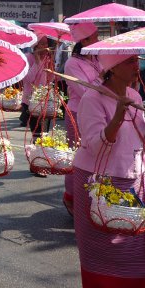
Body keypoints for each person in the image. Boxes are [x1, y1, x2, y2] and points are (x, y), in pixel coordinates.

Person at [73, 54, 145, 287]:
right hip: (99, 181)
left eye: (137, 60)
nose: (137, 66)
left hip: (133, 178)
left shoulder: (133, 95)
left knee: (135, 250)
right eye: (130, 61)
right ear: (112, 68)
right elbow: (94, 146)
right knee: (104, 251)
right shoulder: (92, 98)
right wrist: (117, 117)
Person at [62, 23, 102, 216]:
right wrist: (104, 78)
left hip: (100, 113)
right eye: (95, 36)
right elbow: (86, 92)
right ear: (84, 41)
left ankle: (93, 197)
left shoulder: (98, 57)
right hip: (78, 113)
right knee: (77, 157)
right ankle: (71, 196)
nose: (98, 39)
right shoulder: (72, 64)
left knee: (97, 156)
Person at [19, 33, 55, 177]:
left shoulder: (47, 59)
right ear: (35, 45)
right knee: (37, 134)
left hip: (44, 100)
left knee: (44, 133)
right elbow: (29, 79)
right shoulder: (28, 58)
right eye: (41, 44)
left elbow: (50, 79)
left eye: (46, 43)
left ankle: (39, 163)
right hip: (31, 101)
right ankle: (37, 164)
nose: (44, 46)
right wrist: (38, 62)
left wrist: (51, 66)